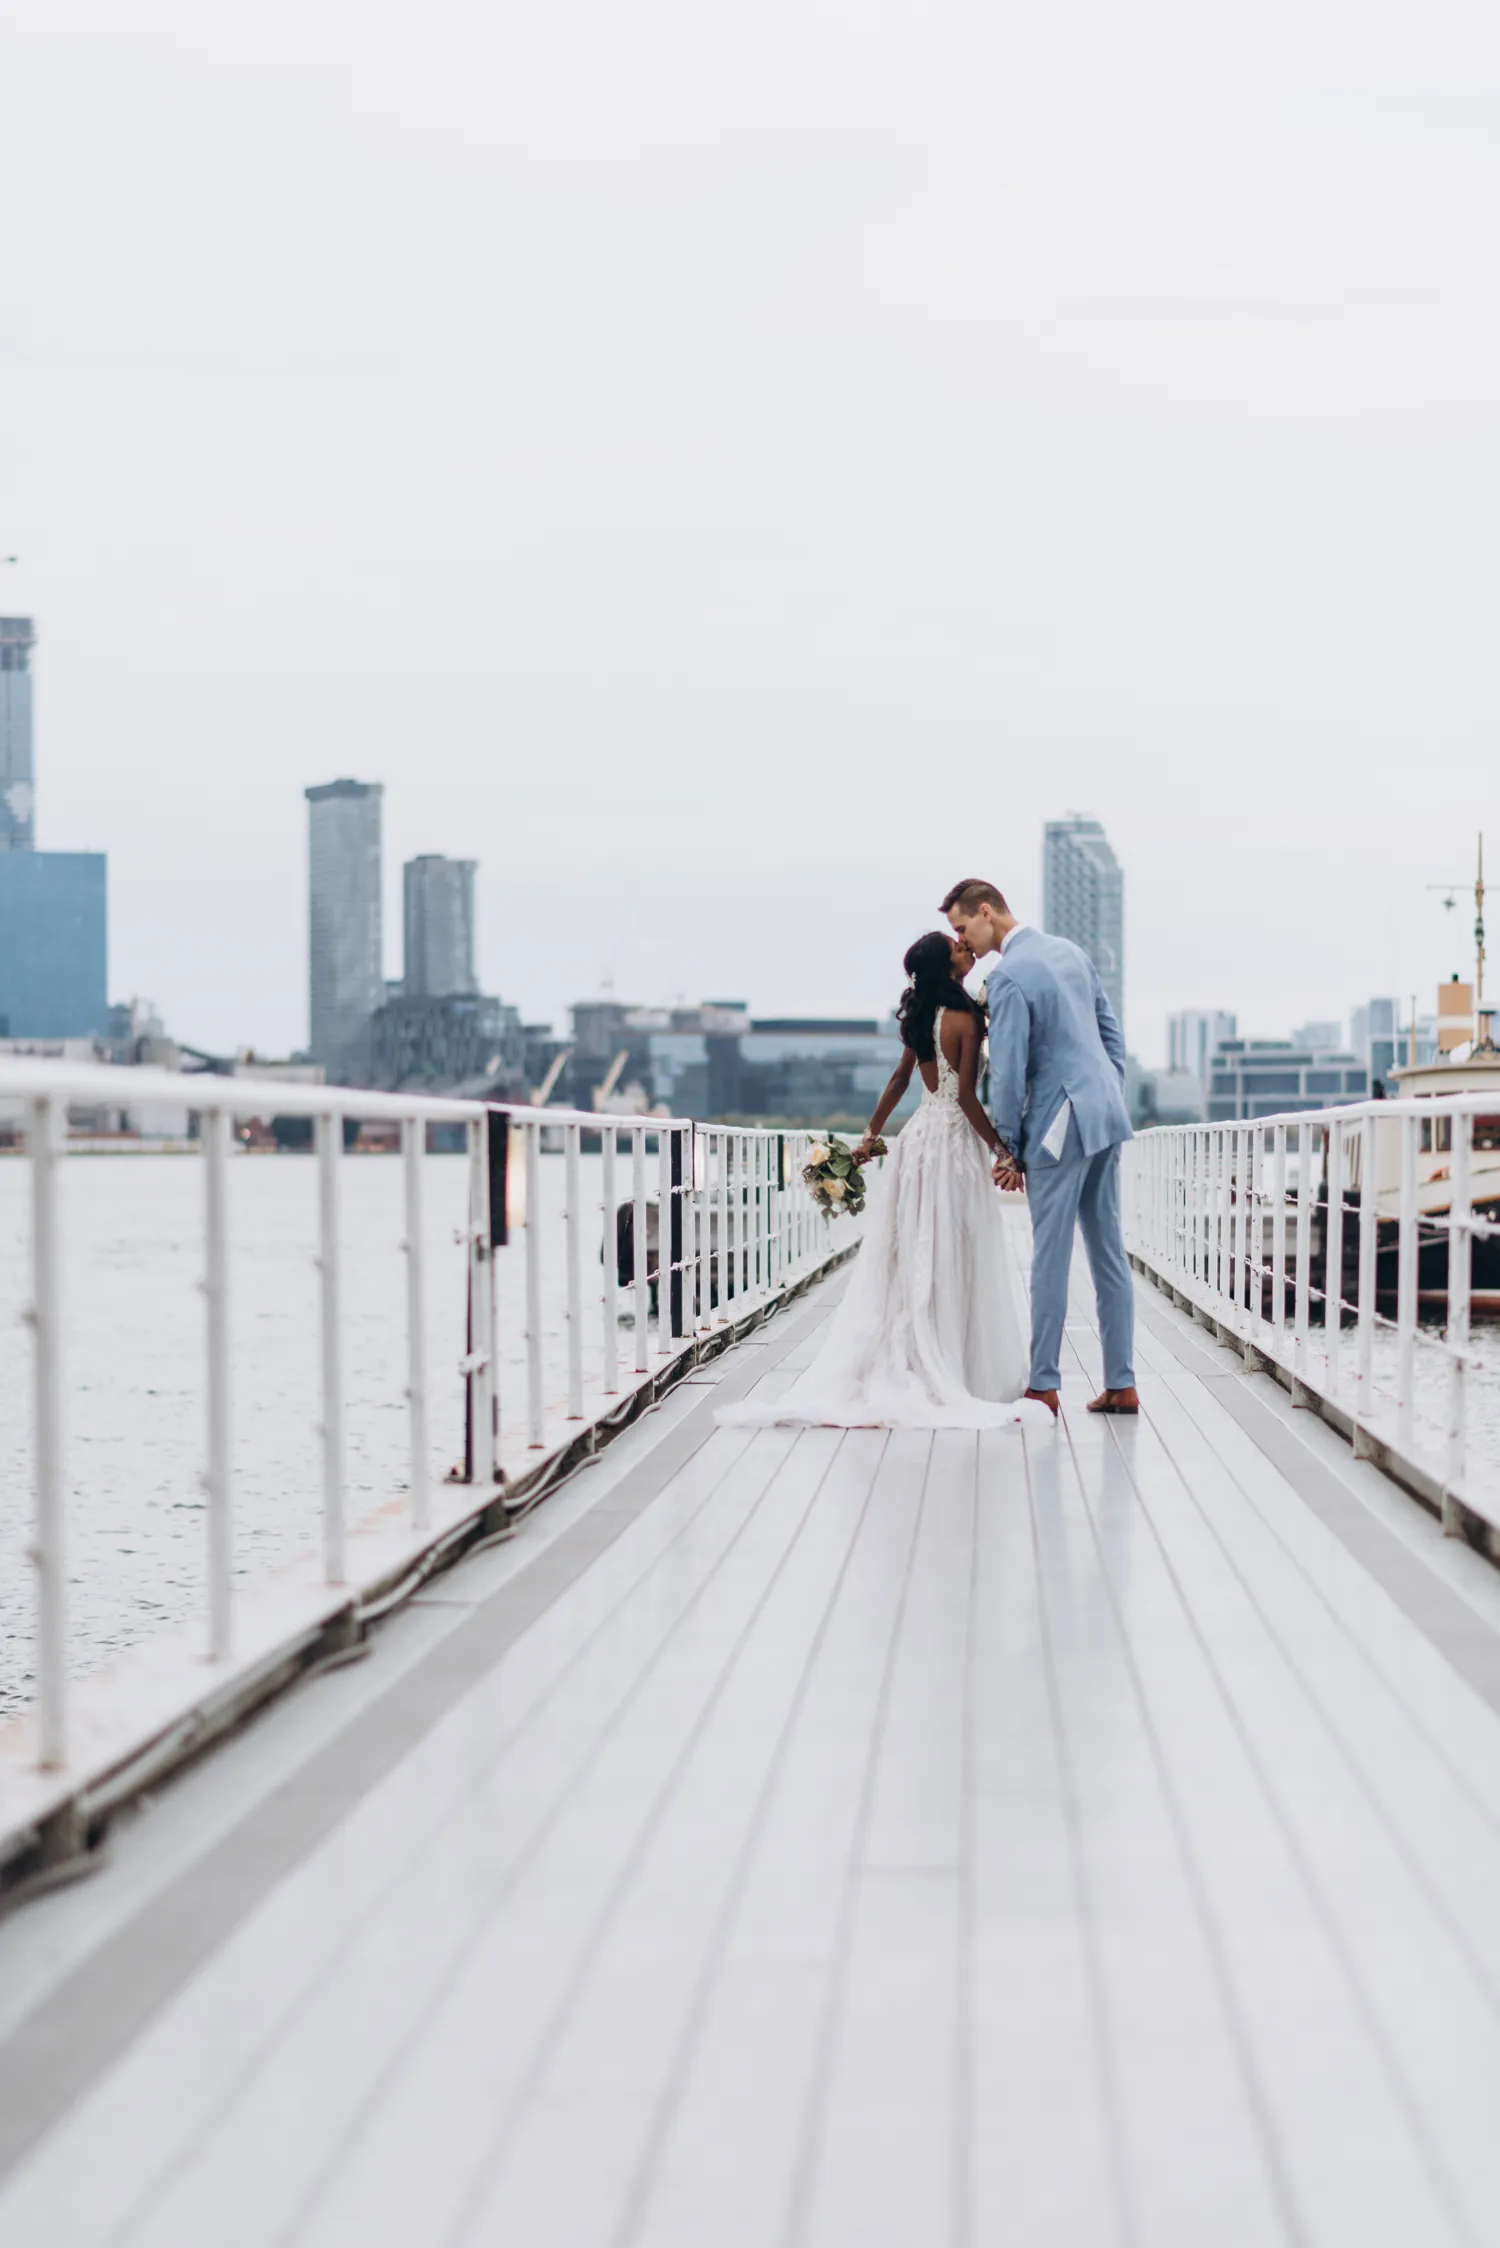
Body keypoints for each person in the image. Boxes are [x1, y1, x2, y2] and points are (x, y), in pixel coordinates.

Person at [717, 932, 1048, 1431]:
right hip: (954, 1144)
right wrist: (1003, 1151)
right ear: (948, 966)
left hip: (918, 1141)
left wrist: (869, 1138)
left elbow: (899, 1081)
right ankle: (949, 1362)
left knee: (914, 1246)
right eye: (957, 947)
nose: (966, 949)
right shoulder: (967, 1019)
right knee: (954, 1245)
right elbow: (966, 1099)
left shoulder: (924, 1018)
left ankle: (910, 1351)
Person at [942, 877, 1139, 1418]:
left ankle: (1045, 1384)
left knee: (1049, 1256)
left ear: (987, 912)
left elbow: (1006, 1074)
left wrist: (1007, 1147)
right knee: (1108, 1251)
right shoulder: (1071, 952)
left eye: (963, 928)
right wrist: (1105, 1088)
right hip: (1104, 1112)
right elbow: (1111, 1033)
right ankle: (1122, 1381)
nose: (964, 942)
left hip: (1058, 1123)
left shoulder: (1007, 977)